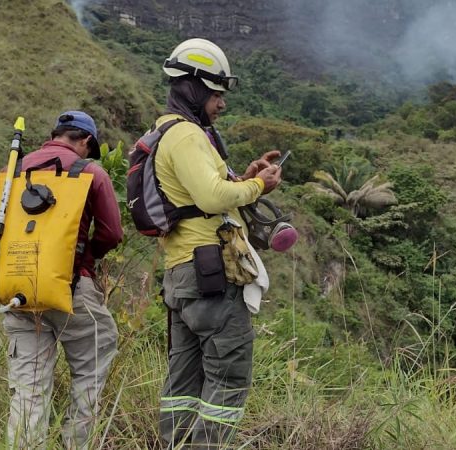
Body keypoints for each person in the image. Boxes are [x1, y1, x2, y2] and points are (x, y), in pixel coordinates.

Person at [155, 38, 282, 448]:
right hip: (209, 274)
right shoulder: (187, 135)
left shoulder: (165, 132)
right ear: (193, 88)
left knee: (183, 386)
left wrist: (245, 180)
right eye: (214, 94)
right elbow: (211, 198)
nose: (220, 104)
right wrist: (260, 184)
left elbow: (202, 194)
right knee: (227, 380)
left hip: (182, 277)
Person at [0, 111, 123, 449]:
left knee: (27, 390)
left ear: (56, 134)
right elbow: (112, 233)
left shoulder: (11, 171)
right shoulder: (91, 172)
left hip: (18, 292)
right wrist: (85, 258)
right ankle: (75, 444)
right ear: (86, 141)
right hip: (72, 289)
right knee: (90, 371)